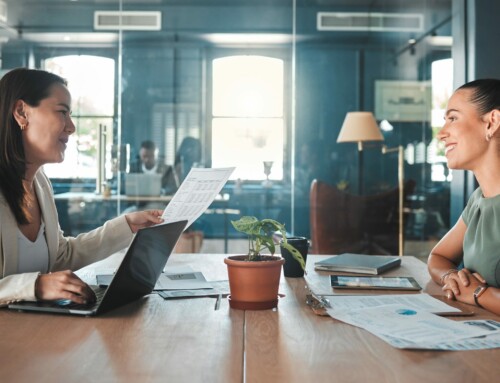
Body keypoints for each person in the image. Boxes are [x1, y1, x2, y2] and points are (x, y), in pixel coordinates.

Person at [0, 68, 164, 306]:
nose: (71, 127)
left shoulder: (40, 183)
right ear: (21, 112)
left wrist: (126, 226)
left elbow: (60, 257)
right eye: (62, 112)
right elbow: (37, 282)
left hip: (34, 330)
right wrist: (35, 285)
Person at [427, 78, 500, 315]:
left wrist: (480, 294)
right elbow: (438, 256)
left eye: (453, 118)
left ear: (492, 122)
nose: (442, 134)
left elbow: (477, 292)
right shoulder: (479, 199)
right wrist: (453, 278)